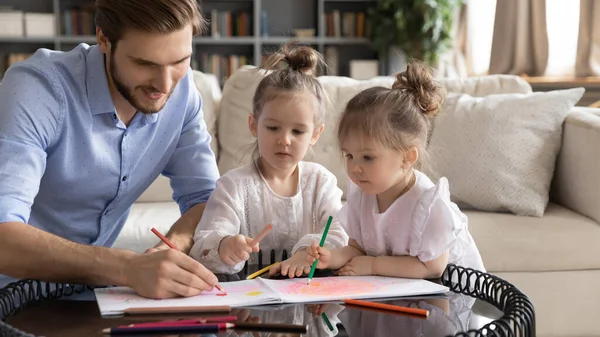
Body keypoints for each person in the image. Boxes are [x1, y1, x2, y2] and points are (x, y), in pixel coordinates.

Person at [0, 0, 221, 298]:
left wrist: (170, 249)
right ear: (103, 38)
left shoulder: (183, 95)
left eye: (180, 61)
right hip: (11, 296)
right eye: (145, 64)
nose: (165, 84)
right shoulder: (37, 89)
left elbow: (205, 200)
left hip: (96, 299)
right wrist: (128, 268)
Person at [306, 60, 485, 279]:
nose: (355, 167)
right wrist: (333, 257)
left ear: (407, 158)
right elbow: (357, 248)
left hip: (445, 295)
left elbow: (432, 268)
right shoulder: (364, 194)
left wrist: (373, 266)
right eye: (349, 156)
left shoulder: (427, 204)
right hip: (394, 291)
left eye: (368, 157)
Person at [189, 43, 348, 278]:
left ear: (315, 134)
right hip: (250, 304)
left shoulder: (320, 182)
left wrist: (307, 251)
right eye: (273, 127)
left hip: (309, 301)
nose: (284, 140)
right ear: (253, 125)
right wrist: (225, 246)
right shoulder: (233, 186)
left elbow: (340, 234)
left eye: (298, 132)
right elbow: (203, 244)